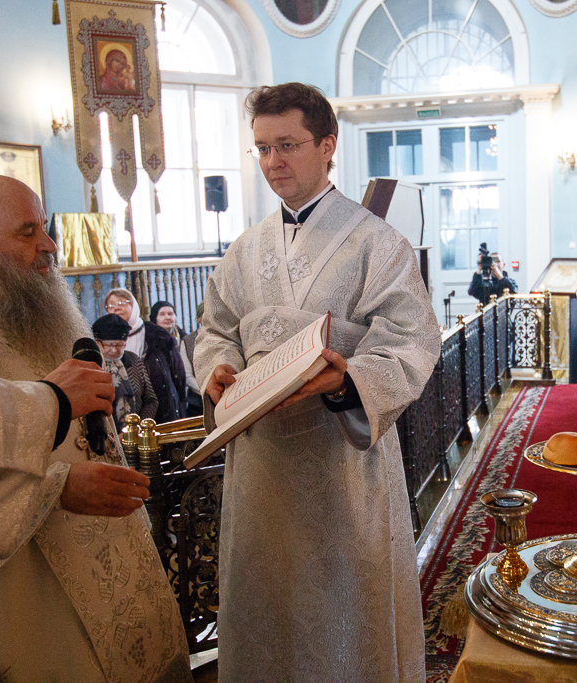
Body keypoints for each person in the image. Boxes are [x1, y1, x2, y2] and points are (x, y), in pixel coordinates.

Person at [0, 170, 191, 682]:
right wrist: (54, 489)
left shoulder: (27, 295)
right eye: (27, 233)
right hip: (23, 591)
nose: (49, 245)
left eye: (45, 227)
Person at [194, 82, 440, 682]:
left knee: (342, 618)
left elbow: (412, 340)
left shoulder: (378, 243)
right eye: (262, 149)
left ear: (327, 145)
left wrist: (346, 381)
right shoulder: (244, 250)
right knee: (267, 614)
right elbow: (214, 330)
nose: (273, 162)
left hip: (341, 466)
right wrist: (216, 372)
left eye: (288, 145)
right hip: (262, 471)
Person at [105, 289, 187, 423]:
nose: (117, 308)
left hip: (161, 410)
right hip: (122, 416)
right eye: (111, 305)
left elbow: (178, 375)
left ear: (133, 305)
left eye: (122, 303)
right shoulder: (103, 339)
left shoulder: (157, 335)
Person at [92, 313, 158, 431]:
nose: (114, 349)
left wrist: (137, 428)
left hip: (136, 433)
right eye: (109, 345)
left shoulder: (133, 360)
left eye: (119, 345)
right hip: (104, 435)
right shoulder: (91, 364)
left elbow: (151, 400)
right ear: (98, 342)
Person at [150, 300, 201, 408]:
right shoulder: (151, 343)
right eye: (162, 314)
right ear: (155, 318)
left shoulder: (185, 339)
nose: (167, 317)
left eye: (170, 313)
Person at [181, 301, 204, 416]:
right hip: (198, 403)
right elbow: (187, 375)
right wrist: (205, 389)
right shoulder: (188, 341)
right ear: (199, 318)